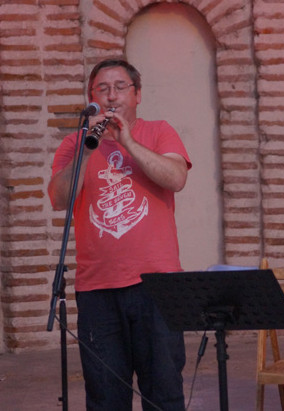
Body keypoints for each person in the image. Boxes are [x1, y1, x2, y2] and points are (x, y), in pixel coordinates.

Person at [48, 59, 191, 410]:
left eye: (120, 87)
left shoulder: (159, 131)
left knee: (164, 393)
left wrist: (127, 141)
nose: (111, 96)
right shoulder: (74, 144)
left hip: (158, 286)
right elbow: (60, 198)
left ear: (137, 94)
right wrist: (87, 148)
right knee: (105, 397)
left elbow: (176, 178)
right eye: (102, 89)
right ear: (91, 98)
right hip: (97, 289)